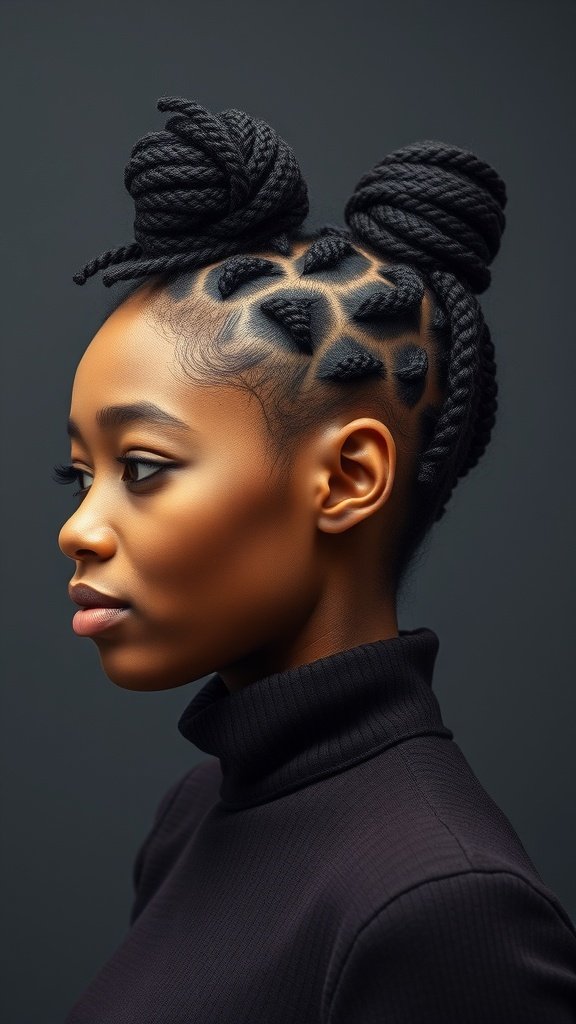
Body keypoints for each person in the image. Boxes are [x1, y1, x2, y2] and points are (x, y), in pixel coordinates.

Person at [55, 96, 576, 1022]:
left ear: (347, 478)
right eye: (80, 474)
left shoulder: (447, 910)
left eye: (142, 467)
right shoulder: (197, 814)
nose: (79, 528)